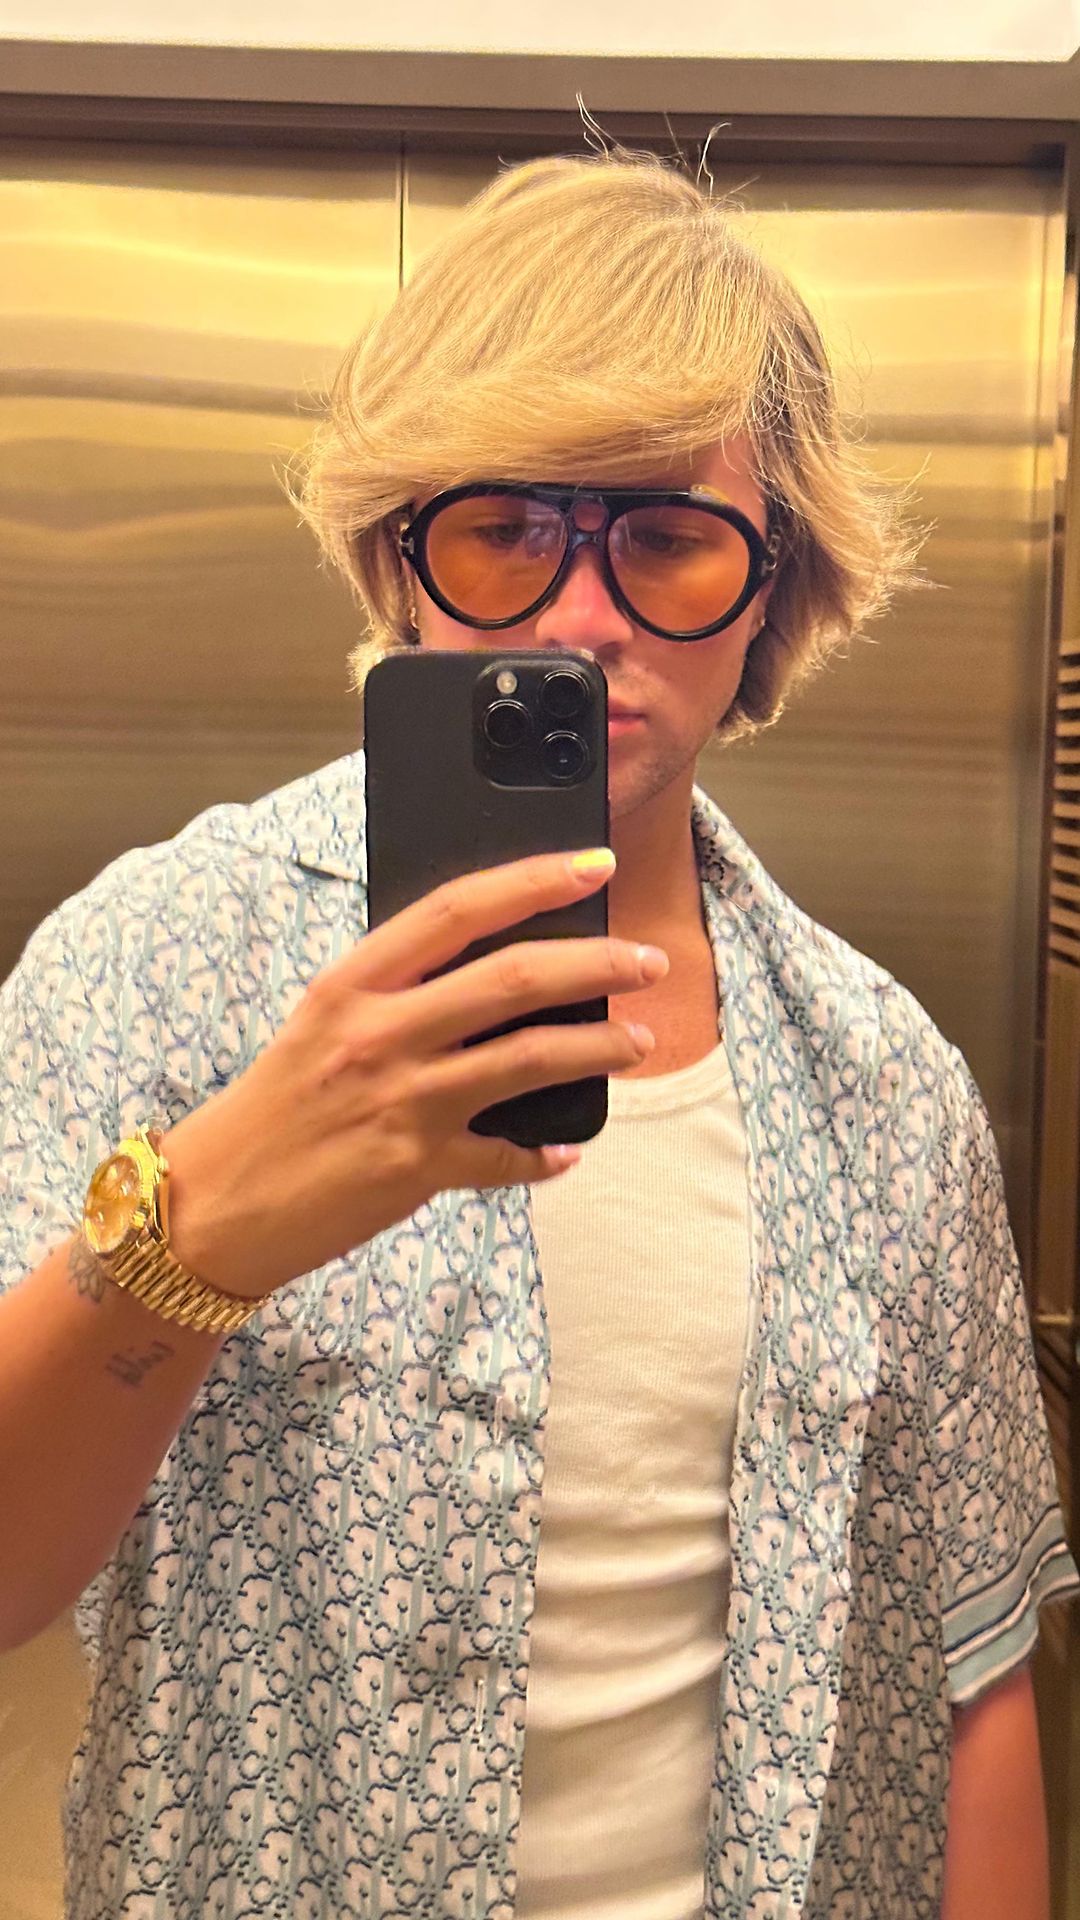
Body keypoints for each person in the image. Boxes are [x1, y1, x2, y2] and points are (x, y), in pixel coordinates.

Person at [0, 143, 1075, 1920]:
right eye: (506, 529)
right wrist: (199, 1231)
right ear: (401, 559)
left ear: (772, 591)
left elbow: (976, 1675)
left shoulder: (890, 1091)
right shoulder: (157, 966)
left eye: (667, 539)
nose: (582, 620)